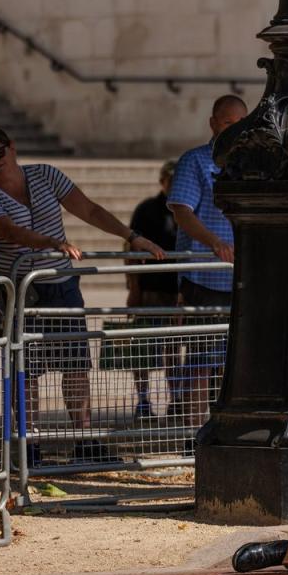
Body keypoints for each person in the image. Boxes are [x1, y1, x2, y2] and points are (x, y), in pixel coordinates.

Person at [0, 127, 165, 463]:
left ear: (12, 148)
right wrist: (50, 243)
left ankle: (84, 439)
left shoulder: (45, 174)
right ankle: (28, 446)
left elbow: (89, 210)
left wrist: (132, 237)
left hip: (61, 284)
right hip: (20, 290)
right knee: (25, 369)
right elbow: (8, 231)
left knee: (76, 365)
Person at [167, 94, 248, 428]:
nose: (235, 129)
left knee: (240, 360)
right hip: (206, 277)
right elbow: (181, 210)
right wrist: (214, 242)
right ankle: (194, 431)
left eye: (241, 123)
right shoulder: (196, 161)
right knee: (202, 359)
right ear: (213, 124)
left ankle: (233, 427)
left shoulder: (252, 164)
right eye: (228, 123)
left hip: (245, 276)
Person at [126, 160, 183, 419]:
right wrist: (133, 286)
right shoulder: (147, 210)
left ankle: (177, 399)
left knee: (173, 350)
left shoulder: (186, 209)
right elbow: (130, 248)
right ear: (162, 181)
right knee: (145, 348)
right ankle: (143, 400)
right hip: (151, 289)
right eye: (170, 180)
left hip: (177, 290)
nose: (173, 184)